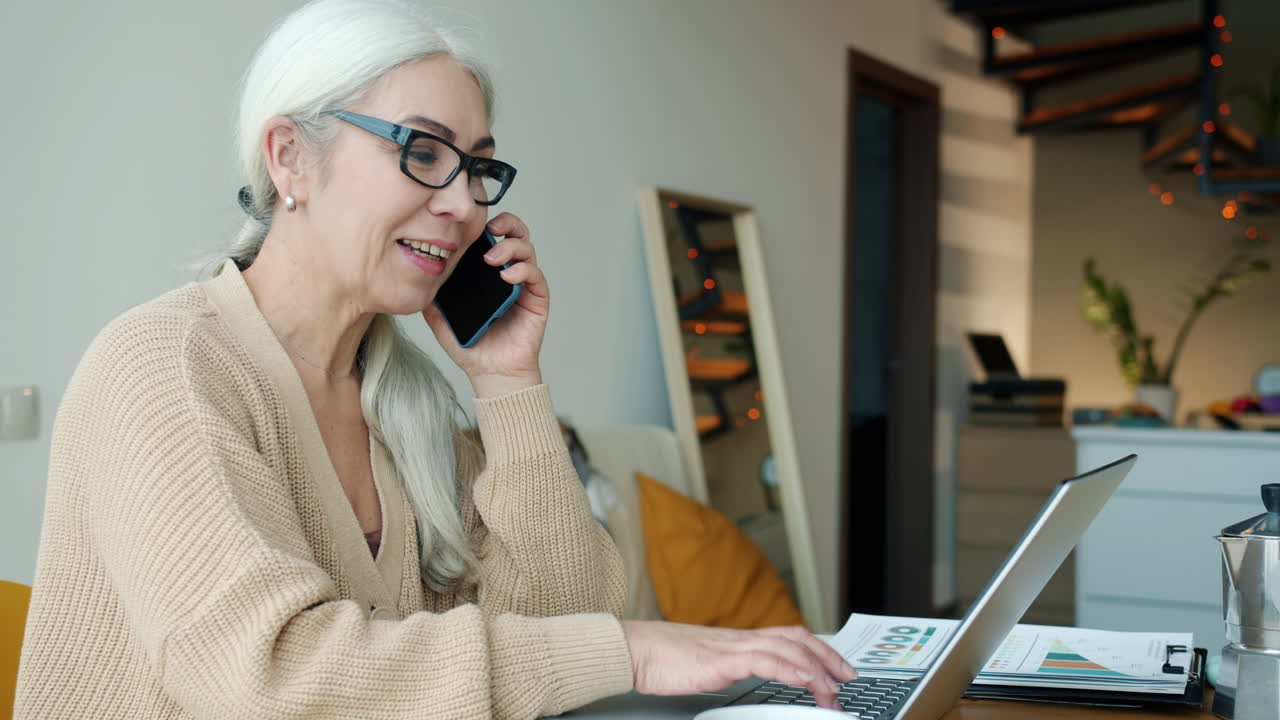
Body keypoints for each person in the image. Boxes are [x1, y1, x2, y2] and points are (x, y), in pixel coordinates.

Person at [14, 0, 855, 717]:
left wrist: (507, 381)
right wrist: (631, 651)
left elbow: (560, 621)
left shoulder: (403, 401)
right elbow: (274, 680)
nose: (460, 203)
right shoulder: (163, 367)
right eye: (421, 152)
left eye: (478, 167)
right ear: (289, 157)